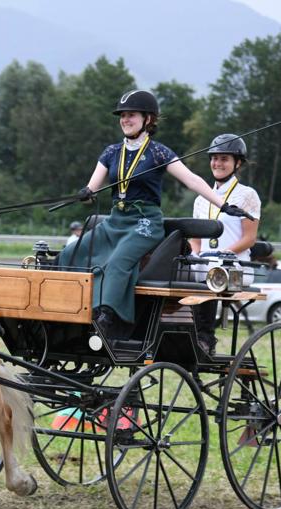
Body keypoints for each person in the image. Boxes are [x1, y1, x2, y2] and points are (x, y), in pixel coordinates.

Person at [59, 90, 253, 338]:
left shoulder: (159, 153)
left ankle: (106, 316)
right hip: (115, 221)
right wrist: (86, 192)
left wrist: (223, 205)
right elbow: (93, 186)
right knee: (70, 252)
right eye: (122, 116)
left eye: (131, 115)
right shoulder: (111, 152)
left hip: (144, 224)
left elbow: (192, 180)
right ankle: (65, 310)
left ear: (148, 119)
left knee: (118, 262)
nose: (125, 120)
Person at [189, 134, 262, 354]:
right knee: (183, 272)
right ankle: (183, 335)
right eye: (214, 158)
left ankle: (206, 338)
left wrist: (223, 253)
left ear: (237, 163)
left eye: (224, 159)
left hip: (236, 266)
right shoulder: (201, 198)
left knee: (214, 272)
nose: (217, 164)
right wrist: (194, 254)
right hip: (207, 262)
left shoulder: (247, 195)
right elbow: (195, 237)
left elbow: (249, 238)